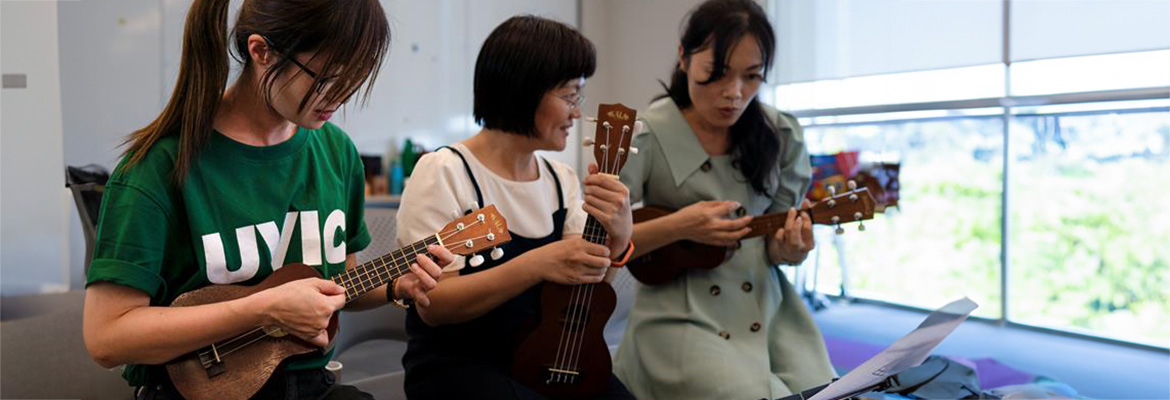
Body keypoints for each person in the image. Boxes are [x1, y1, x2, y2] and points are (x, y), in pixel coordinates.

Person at [81, 0, 449, 398]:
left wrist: (396, 285)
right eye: (327, 79)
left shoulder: (337, 154)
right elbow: (107, 338)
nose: (340, 99)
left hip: (310, 385)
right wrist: (263, 308)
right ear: (261, 51)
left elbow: (338, 285)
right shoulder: (157, 168)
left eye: (356, 80)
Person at [394, 15, 636, 400]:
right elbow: (434, 305)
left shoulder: (561, 179)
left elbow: (581, 298)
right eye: (570, 96)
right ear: (525, 89)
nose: (577, 113)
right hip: (461, 368)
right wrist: (539, 262)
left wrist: (619, 239)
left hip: (548, 358)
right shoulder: (445, 171)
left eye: (580, 97)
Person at [613, 1, 835, 399]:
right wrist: (682, 225)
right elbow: (600, 245)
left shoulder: (781, 134)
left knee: (826, 391)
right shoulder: (642, 135)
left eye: (752, 77)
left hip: (769, 307)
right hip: (679, 316)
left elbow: (776, 246)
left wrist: (791, 249)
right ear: (684, 57)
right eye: (716, 74)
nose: (734, 93)